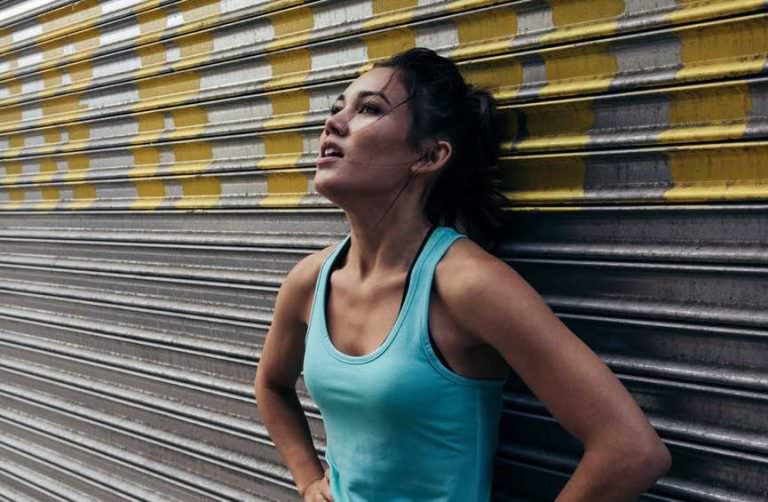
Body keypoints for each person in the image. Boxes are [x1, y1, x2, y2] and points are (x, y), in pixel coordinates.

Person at [254, 47, 671, 502]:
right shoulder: (310, 280)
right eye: (338, 107)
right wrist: (308, 481)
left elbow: (631, 450)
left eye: (369, 109)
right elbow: (272, 385)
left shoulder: (466, 285)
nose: (333, 124)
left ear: (429, 155)